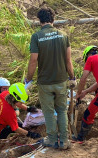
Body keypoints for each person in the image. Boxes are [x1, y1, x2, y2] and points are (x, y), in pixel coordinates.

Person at [25, 7, 75, 150]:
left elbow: (33, 61)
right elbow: (68, 61)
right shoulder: (63, 36)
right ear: (53, 19)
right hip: (61, 81)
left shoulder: (37, 37)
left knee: (48, 111)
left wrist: (28, 79)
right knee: (61, 110)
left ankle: (52, 139)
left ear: (39, 20)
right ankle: (64, 140)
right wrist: (72, 77)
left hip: (45, 82)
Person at [0, 83, 41, 158]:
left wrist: (27, 108)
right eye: (21, 102)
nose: (22, 104)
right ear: (15, 100)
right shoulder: (9, 113)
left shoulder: (6, 94)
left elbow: (17, 102)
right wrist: (30, 134)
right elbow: (15, 128)